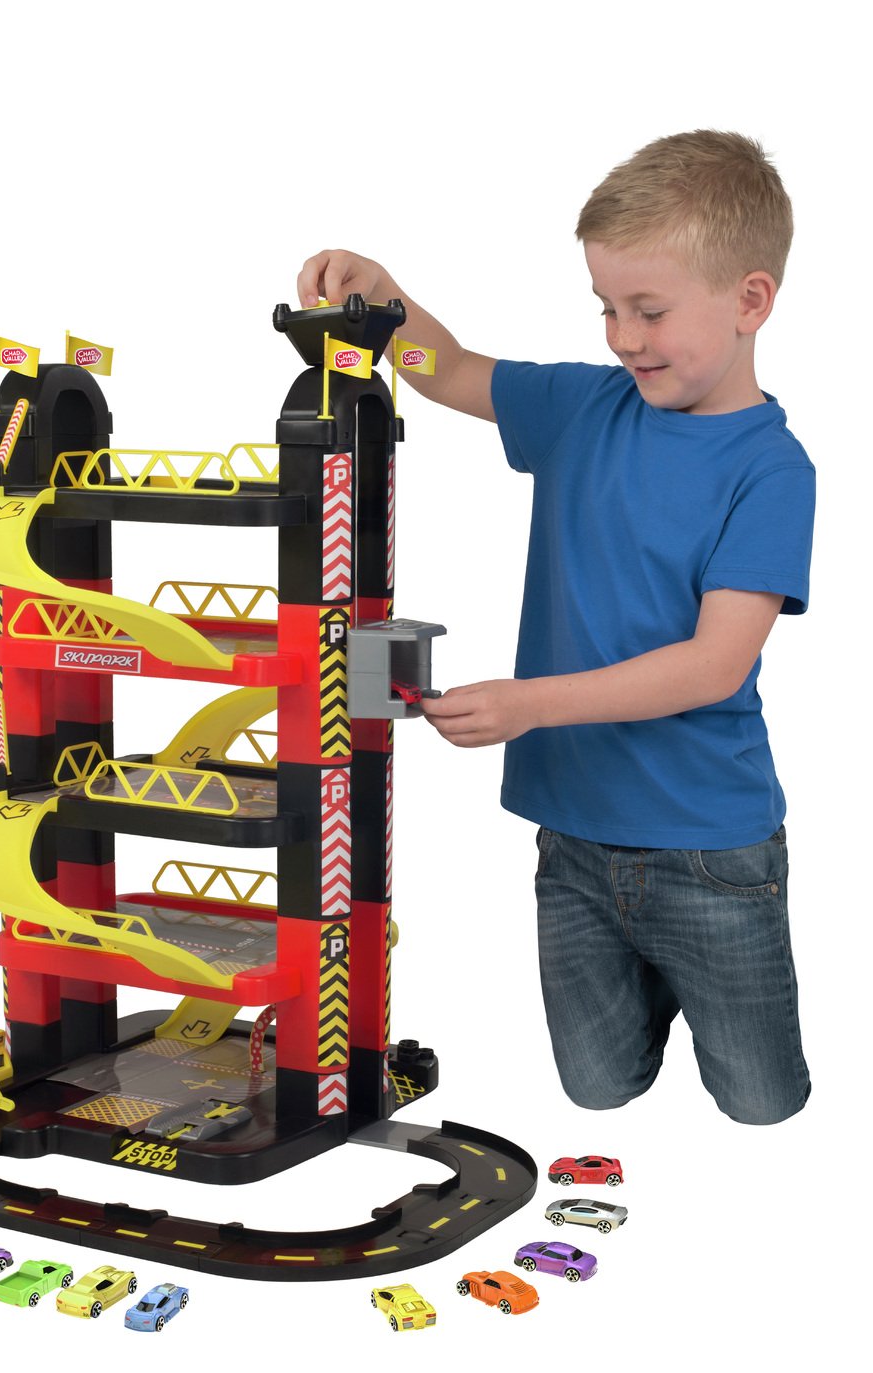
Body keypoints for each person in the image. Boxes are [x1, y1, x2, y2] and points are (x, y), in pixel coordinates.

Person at [297, 131, 814, 1125]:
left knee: (759, 1104)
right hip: (572, 837)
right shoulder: (584, 406)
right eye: (606, 308)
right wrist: (385, 303)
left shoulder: (770, 469)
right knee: (598, 1087)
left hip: (709, 849)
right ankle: (651, 992)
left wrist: (528, 704)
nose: (622, 337)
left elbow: (713, 665)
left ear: (749, 300)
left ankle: (693, 989)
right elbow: (444, 368)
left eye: (649, 311)